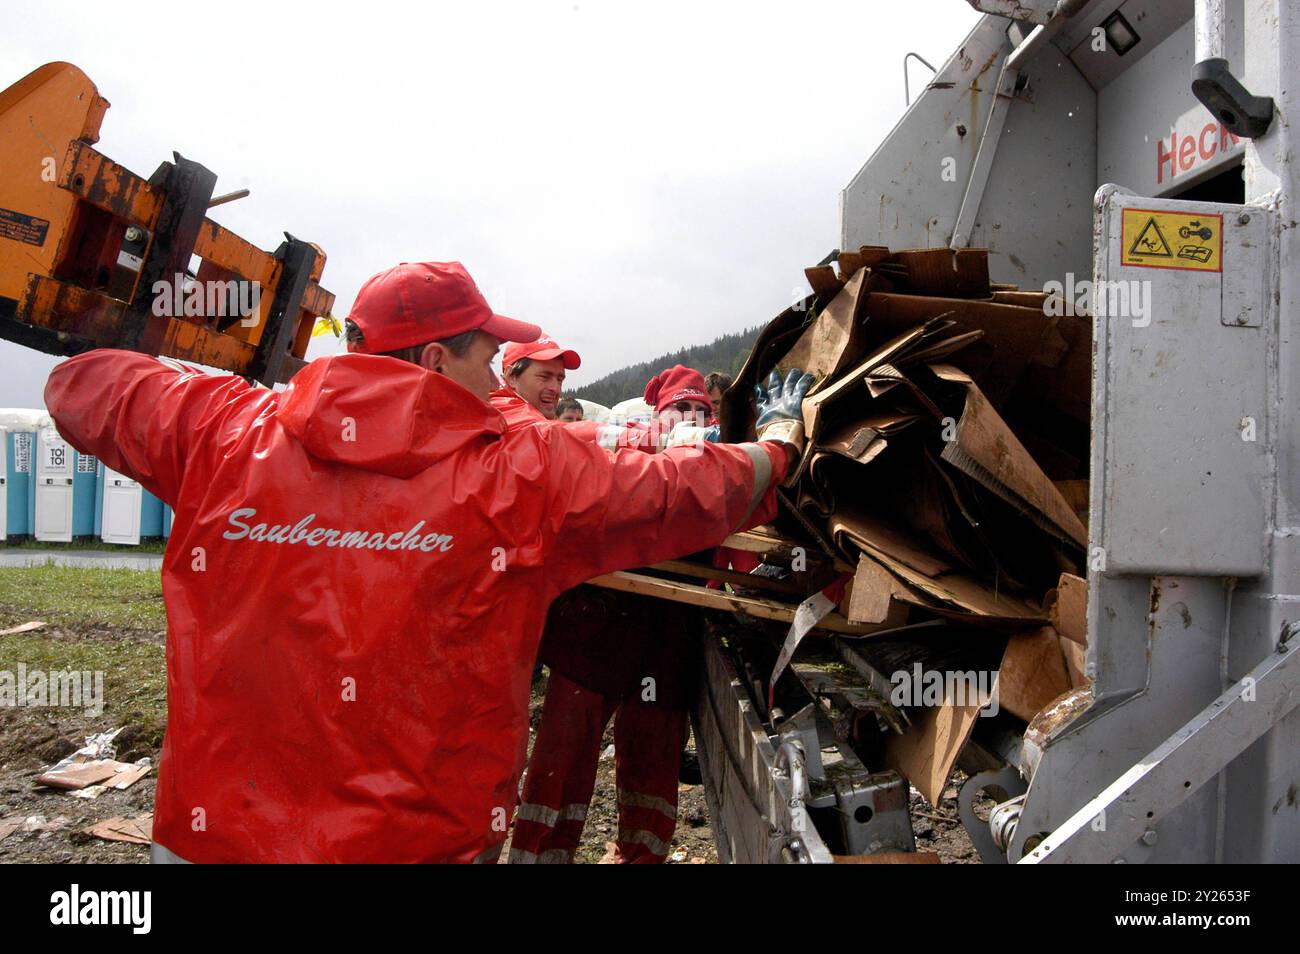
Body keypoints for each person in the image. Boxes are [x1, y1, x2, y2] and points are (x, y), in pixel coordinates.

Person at [43, 260, 809, 864]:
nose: (496, 381)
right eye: (488, 360)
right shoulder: (523, 473)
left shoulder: (224, 429)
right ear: (438, 359)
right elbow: (689, 486)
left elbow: (84, 385)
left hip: (210, 841)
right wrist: (778, 444)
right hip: (419, 843)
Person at [510, 365, 742, 864]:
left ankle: (640, 857)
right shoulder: (624, 457)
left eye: (701, 409)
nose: (692, 418)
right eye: (681, 408)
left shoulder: (719, 469)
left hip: (666, 640)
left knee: (652, 768)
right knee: (561, 757)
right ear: (658, 417)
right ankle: (541, 855)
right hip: (592, 635)